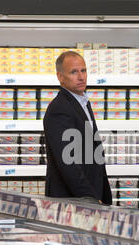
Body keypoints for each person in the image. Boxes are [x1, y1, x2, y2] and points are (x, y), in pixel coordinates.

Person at [43, 50, 112, 205]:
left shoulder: (83, 102)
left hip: (90, 196)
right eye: (74, 72)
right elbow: (68, 163)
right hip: (72, 201)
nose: (81, 77)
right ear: (60, 77)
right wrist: (91, 199)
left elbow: (92, 154)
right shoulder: (59, 109)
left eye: (83, 70)